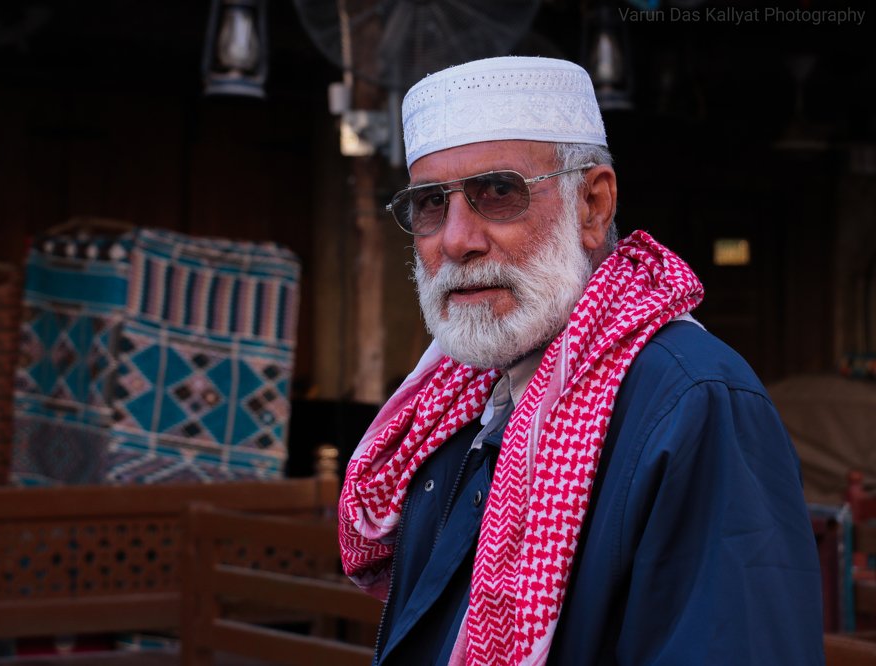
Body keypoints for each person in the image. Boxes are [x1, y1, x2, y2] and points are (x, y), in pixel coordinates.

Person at [337, 56, 824, 666]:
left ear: (593, 206)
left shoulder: (697, 402)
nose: (457, 240)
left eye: (497, 192)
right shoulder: (456, 400)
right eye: (432, 204)